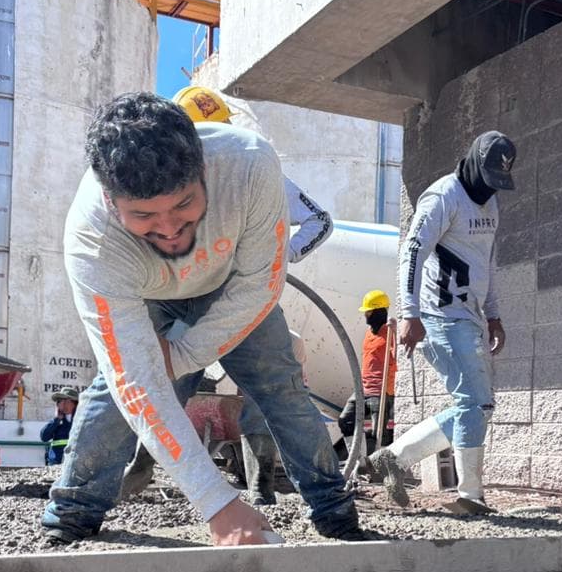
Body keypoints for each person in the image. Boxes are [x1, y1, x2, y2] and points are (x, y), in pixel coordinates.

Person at [41, 92, 362, 546]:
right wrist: (217, 503)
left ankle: (333, 509)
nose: (169, 228)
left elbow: (260, 286)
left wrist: (185, 353)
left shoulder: (249, 165)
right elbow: (134, 380)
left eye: (184, 204)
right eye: (144, 215)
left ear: (203, 170)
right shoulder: (93, 239)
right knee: (113, 391)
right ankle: (71, 515)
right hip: (149, 297)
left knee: (282, 385)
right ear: (113, 203)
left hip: (233, 288)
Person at [122, 84, 335, 509]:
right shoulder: (212, 172)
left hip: (226, 296)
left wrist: (277, 259)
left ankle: (253, 483)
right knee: (185, 372)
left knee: (240, 379)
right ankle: (149, 466)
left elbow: (319, 221)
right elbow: (320, 221)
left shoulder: (247, 169)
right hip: (208, 296)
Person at [370, 130, 516, 515]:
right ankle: (470, 496)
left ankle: (394, 458)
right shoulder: (442, 197)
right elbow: (412, 253)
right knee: (474, 402)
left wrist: (495, 313)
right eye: (487, 180)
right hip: (439, 315)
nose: (490, 190)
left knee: (478, 407)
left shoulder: (490, 203)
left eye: (498, 183)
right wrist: (409, 313)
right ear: (472, 164)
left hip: (469, 316)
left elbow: (487, 262)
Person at [337, 290, 396, 456]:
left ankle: (379, 466)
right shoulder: (369, 334)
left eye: (369, 312)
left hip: (381, 391)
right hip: (363, 389)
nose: (366, 316)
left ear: (379, 312)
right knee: (345, 421)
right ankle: (359, 460)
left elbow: (399, 358)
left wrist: (396, 332)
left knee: (379, 434)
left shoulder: (390, 333)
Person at [40, 387, 79, 466]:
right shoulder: (57, 421)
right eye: (58, 402)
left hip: (74, 464)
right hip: (55, 464)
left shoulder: (80, 419)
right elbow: (44, 437)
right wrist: (57, 420)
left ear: (71, 402)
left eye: (60, 401)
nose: (58, 404)